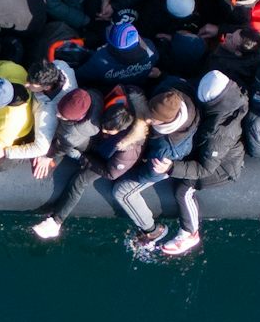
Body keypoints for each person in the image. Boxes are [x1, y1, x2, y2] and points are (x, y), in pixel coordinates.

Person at [28, 86, 147, 239]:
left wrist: (82, 158)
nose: (104, 131)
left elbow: (110, 173)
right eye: (103, 128)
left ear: (119, 131)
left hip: (107, 163)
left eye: (108, 131)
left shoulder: (128, 152)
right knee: (76, 143)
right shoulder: (113, 115)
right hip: (100, 145)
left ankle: (56, 221)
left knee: (80, 180)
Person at [151, 69, 246, 256]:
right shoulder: (231, 95)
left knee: (183, 190)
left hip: (222, 167)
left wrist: (171, 168)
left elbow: (204, 169)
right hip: (208, 150)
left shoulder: (220, 133)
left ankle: (189, 233)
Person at [108, 86, 197, 250]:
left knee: (122, 192)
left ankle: (152, 231)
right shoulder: (174, 94)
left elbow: (148, 175)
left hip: (165, 164)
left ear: (166, 122)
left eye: (153, 120)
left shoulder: (166, 149)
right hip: (170, 143)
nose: (148, 120)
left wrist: (127, 169)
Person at [76, 16, 156, 85]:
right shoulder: (150, 48)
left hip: (108, 88)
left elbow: (79, 76)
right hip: (137, 85)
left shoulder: (99, 60)